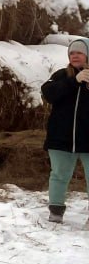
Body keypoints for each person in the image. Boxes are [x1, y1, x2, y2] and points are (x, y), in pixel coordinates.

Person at [40, 37, 89, 224]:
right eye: (72, 53)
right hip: (61, 137)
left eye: (79, 52)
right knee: (59, 175)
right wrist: (73, 81)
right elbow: (48, 94)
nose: (75, 56)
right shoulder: (61, 75)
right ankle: (56, 211)